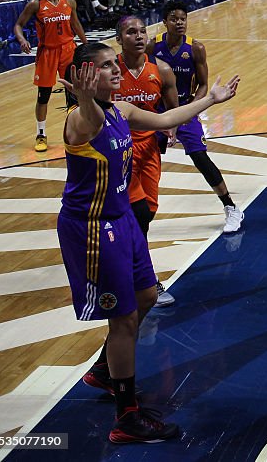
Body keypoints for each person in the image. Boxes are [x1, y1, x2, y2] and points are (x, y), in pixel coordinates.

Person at [58, 41, 238, 442]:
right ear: (86, 77)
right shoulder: (80, 119)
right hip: (92, 229)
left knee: (146, 298)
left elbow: (167, 118)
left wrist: (211, 98)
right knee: (121, 319)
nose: (117, 70)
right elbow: (88, 116)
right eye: (106, 67)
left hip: (122, 221)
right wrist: (83, 96)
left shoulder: (121, 110)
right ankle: (127, 418)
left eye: (115, 64)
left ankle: (105, 371)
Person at [147, 4, 245, 233]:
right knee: (145, 158)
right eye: (174, 19)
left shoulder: (195, 48)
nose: (179, 23)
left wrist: (189, 111)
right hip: (158, 111)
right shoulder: (153, 46)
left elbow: (203, 85)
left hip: (186, 107)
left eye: (183, 19)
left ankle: (230, 207)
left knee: (200, 157)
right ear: (164, 21)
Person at [113, 16, 179, 307]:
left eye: (142, 31)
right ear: (119, 39)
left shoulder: (161, 70)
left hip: (149, 147)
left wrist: (171, 127)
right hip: (117, 151)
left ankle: (129, 265)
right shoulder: (109, 69)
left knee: (147, 212)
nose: (138, 37)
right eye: (130, 32)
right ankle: (142, 278)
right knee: (136, 213)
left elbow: (172, 107)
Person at [14, 0, 88, 152]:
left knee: (74, 93)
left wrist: (86, 45)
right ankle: (41, 134)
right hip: (47, 52)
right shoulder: (35, 4)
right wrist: (22, 39)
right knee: (44, 95)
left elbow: (76, 24)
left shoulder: (69, 1)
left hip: (68, 50)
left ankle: (77, 130)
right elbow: (18, 25)